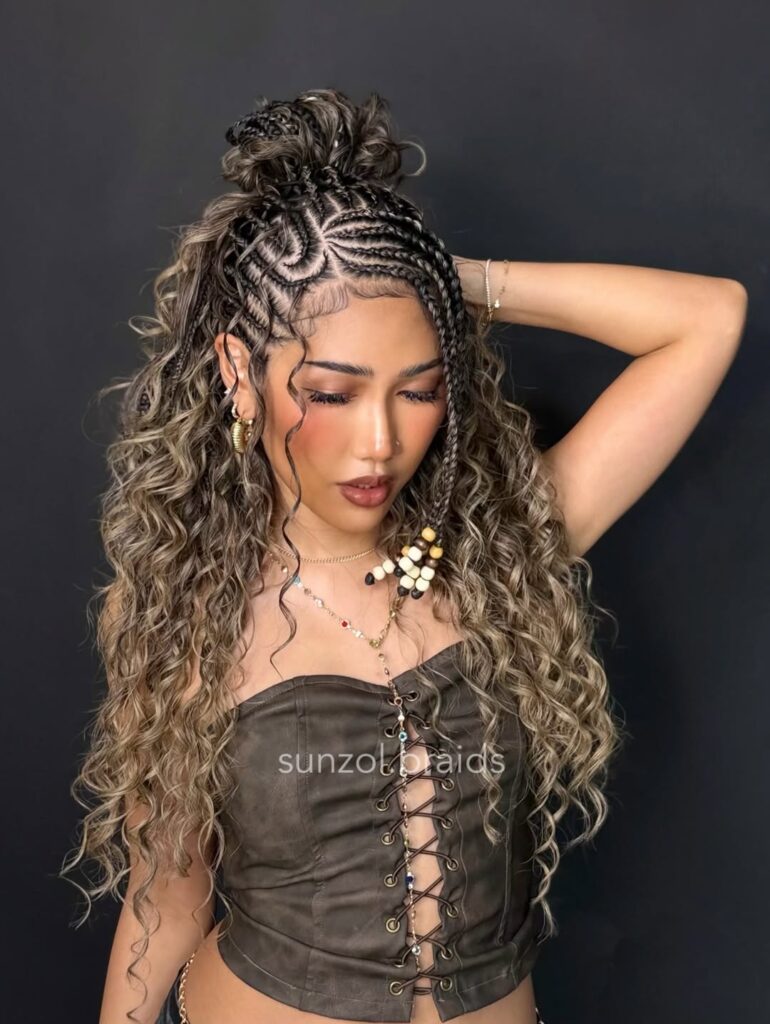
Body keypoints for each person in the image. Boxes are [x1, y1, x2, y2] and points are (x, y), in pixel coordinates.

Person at [59, 88, 748, 1024]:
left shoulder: (496, 554)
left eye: (418, 390)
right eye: (333, 393)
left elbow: (708, 318)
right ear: (237, 371)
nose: (380, 442)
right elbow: (166, 902)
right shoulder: (189, 611)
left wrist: (438, 279)